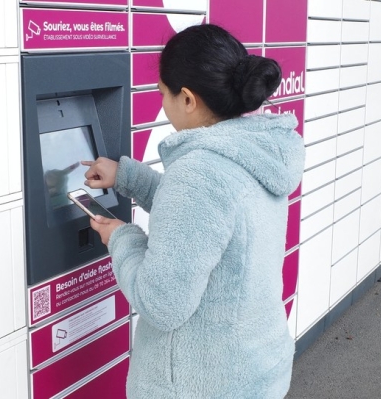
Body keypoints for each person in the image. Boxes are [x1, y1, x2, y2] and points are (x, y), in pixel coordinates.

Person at [82, 24, 305, 398]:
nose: (162, 100)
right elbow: (204, 224)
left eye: (163, 93)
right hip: (256, 368)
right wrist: (128, 177)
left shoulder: (199, 173)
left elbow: (161, 303)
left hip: (200, 385)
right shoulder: (254, 151)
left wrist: (120, 237)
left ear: (187, 99)